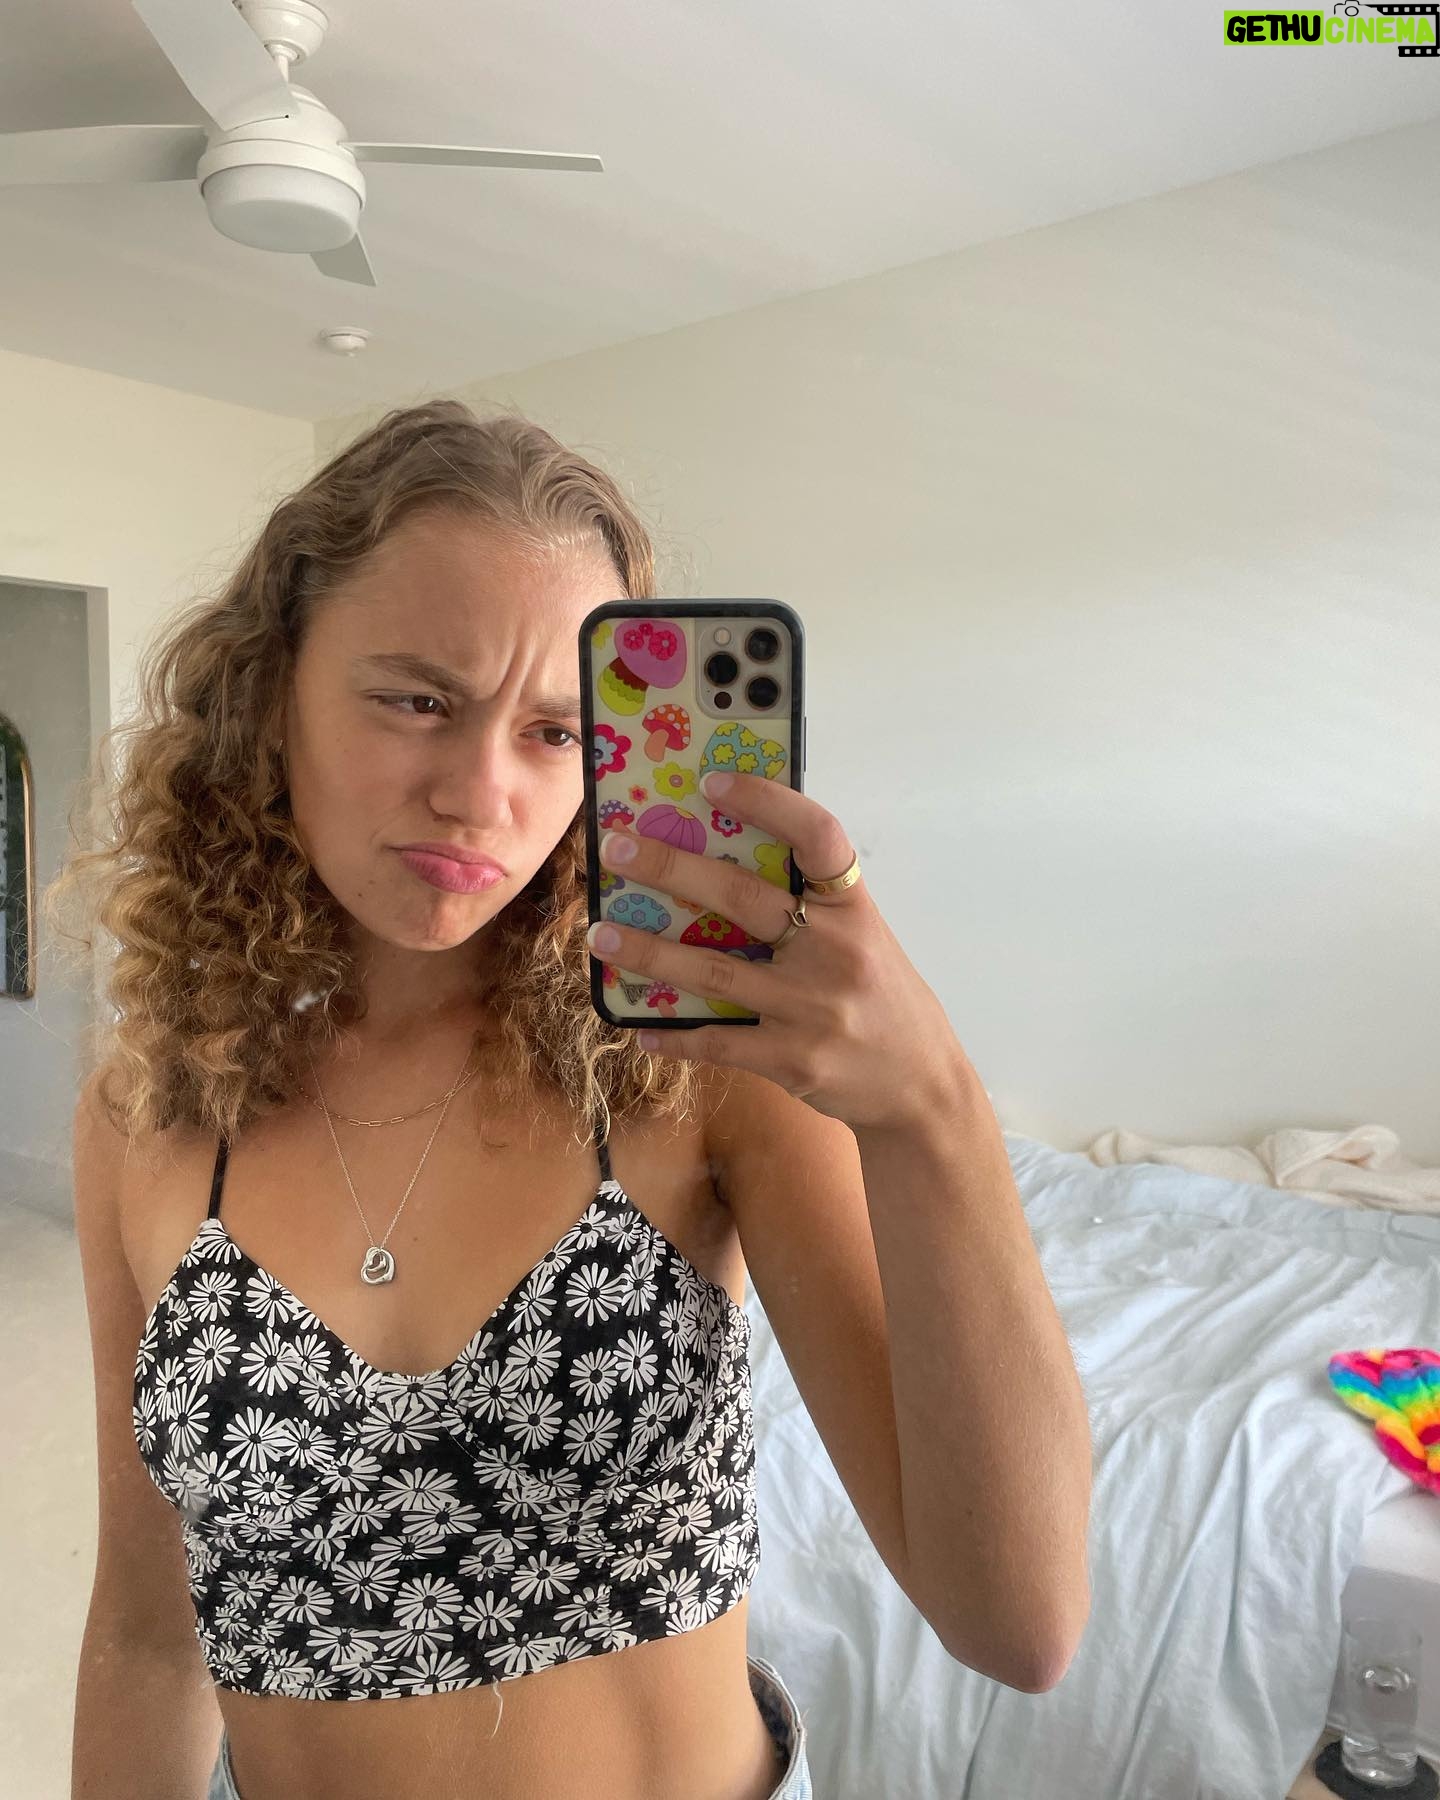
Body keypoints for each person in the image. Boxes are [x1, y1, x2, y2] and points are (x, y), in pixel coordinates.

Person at [59, 399, 1089, 1800]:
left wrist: (933, 1107)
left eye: (554, 731)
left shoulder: (697, 1071)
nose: (479, 792)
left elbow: (1020, 1624)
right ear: (270, 694)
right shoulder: (153, 1111)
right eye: (418, 700)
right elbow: (144, 1635)